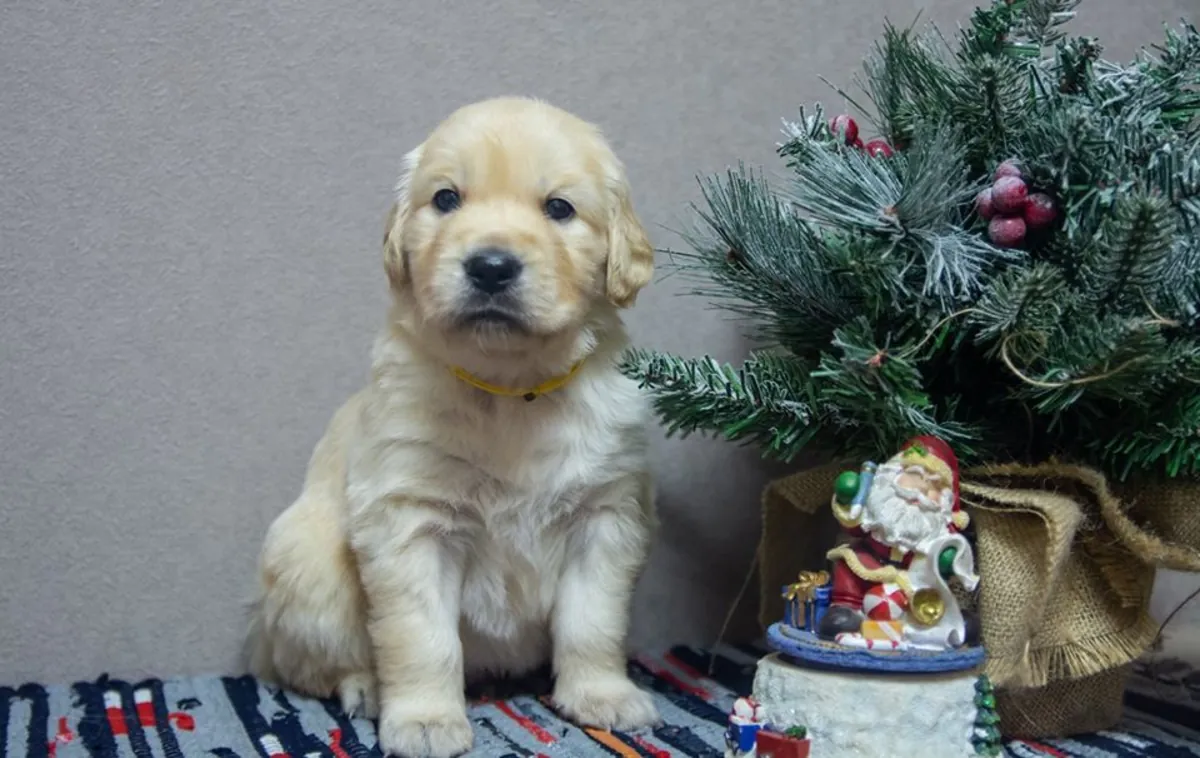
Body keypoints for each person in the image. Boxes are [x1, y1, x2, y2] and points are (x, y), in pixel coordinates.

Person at [818, 436, 980, 649]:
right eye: (914, 477)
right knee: (849, 566)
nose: (918, 493)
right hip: (872, 560)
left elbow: (949, 547)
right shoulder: (878, 506)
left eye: (931, 488)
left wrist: (947, 560)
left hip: (915, 577)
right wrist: (846, 498)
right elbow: (853, 523)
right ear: (892, 475)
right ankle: (847, 609)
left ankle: (944, 624)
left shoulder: (937, 523)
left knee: (931, 595)